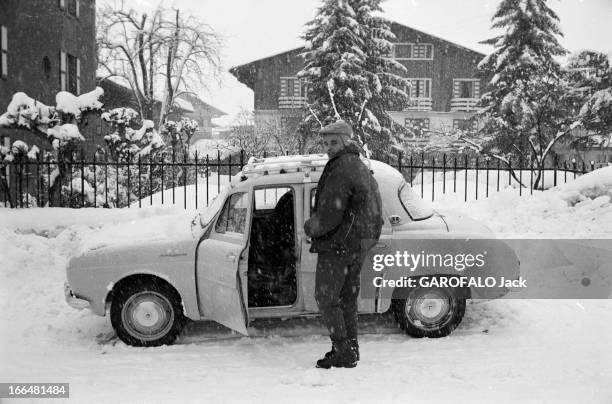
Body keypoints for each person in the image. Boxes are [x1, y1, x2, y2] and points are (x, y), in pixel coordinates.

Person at [304, 120, 383, 369]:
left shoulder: (341, 168)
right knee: (347, 299)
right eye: (326, 143)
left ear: (346, 141)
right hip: (357, 246)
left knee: (326, 299)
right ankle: (351, 348)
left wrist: (309, 228)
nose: (328, 147)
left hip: (338, 246)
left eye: (334, 142)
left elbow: (329, 214)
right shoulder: (358, 165)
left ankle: (342, 350)